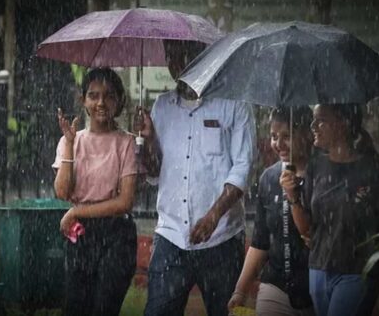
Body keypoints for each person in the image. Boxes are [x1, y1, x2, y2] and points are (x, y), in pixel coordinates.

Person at [135, 40, 256, 316]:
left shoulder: (234, 105)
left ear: (204, 57)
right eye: (171, 55)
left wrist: (213, 216)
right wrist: (147, 140)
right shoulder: (162, 106)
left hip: (222, 238)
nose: (177, 63)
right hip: (171, 235)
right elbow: (154, 173)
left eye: (186, 55)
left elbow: (243, 168)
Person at [281, 104, 379, 316]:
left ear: (343, 124)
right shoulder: (316, 167)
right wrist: (293, 198)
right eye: (313, 120)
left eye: (321, 120)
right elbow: (307, 230)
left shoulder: (375, 169)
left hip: (357, 270)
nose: (313, 127)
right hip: (319, 268)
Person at [52, 67, 138, 316]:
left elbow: (125, 202)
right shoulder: (71, 140)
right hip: (81, 234)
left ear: (119, 101)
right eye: (93, 95)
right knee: (75, 307)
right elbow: (62, 191)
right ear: (83, 100)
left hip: (116, 235)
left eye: (109, 96)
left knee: (104, 308)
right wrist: (69, 145)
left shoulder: (126, 142)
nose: (101, 102)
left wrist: (77, 211)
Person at [228, 106, 315, 316]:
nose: (278, 144)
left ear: (307, 134)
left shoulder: (322, 174)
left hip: (317, 285)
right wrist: (240, 290)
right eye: (274, 136)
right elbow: (260, 243)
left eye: (287, 136)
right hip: (275, 286)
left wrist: (295, 196)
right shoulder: (268, 178)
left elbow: (315, 235)